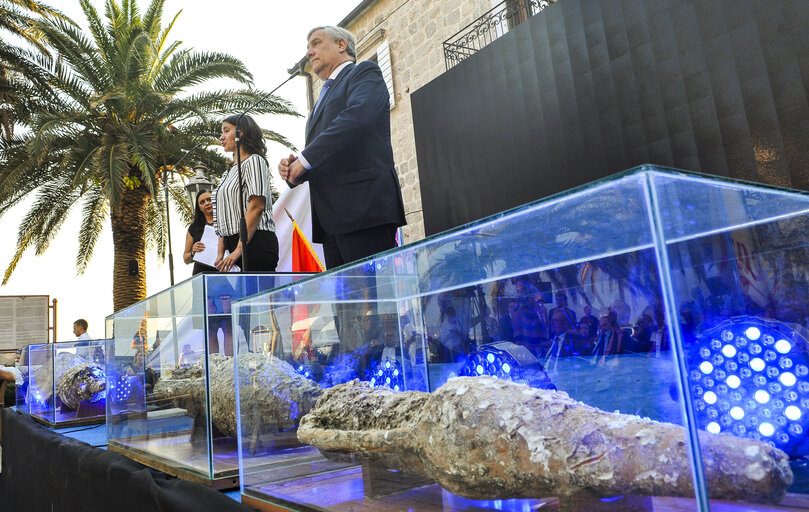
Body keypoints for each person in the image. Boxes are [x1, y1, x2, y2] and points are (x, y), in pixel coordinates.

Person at [278, 26, 406, 269]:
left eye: (315, 43)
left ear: (341, 45)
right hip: (330, 222)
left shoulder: (364, 73)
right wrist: (294, 170)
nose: (309, 53)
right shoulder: (320, 101)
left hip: (364, 210)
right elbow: (327, 151)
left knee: (373, 300)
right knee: (348, 305)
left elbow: (357, 118)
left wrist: (304, 160)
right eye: (307, 48)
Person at [213, 113, 279, 272]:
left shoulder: (254, 161)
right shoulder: (227, 173)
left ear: (240, 132)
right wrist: (220, 253)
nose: (221, 137)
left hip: (255, 242)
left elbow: (256, 206)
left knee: (258, 296)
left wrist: (238, 250)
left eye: (226, 130)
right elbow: (222, 214)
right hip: (232, 246)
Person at [184, 189, 215, 275]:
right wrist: (192, 252)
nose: (207, 203)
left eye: (209, 199)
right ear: (199, 208)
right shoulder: (194, 228)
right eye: (202, 202)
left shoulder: (226, 223)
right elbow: (185, 258)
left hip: (224, 275)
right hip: (201, 276)